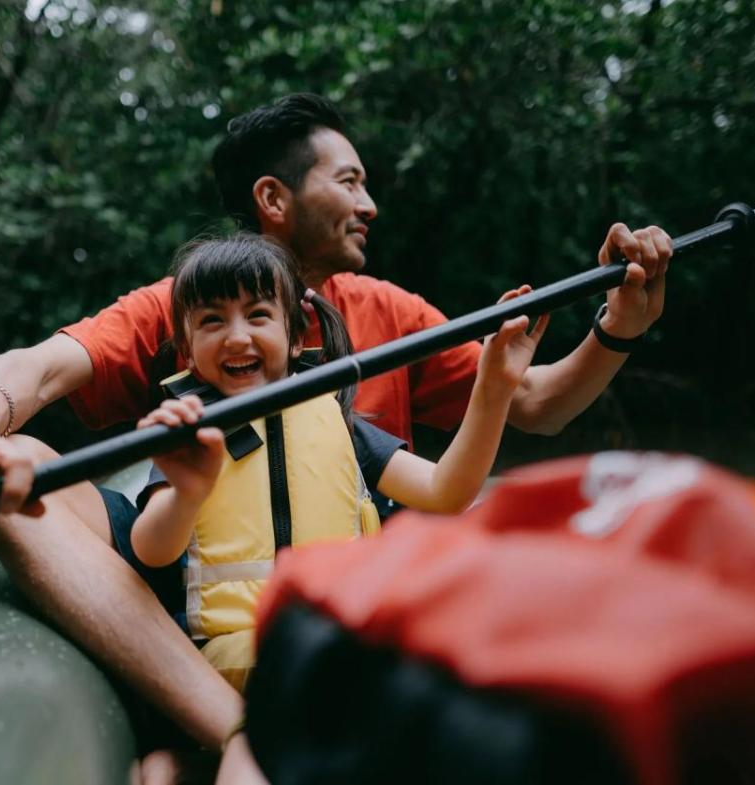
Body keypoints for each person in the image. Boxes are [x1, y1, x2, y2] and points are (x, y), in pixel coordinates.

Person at [0, 93, 672, 776]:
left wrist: (620, 327)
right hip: (211, 606)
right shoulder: (181, 303)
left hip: (353, 598)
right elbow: (36, 370)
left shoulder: (385, 309)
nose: (369, 203)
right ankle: (228, 725)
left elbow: (530, 402)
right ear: (273, 198)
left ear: (301, 330)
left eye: (260, 319)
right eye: (349, 182)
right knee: (24, 465)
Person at [128, 234, 544, 697]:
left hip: (341, 636)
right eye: (212, 320)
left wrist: (494, 386)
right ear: (187, 345)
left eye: (258, 315)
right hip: (240, 653)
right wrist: (188, 493)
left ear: (292, 337)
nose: (238, 336)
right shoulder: (188, 437)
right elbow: (151, 549)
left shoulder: (337, 422)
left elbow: (446, 491)